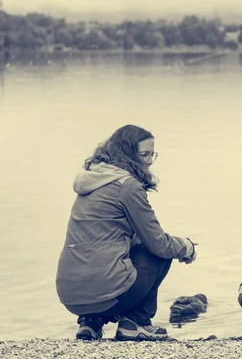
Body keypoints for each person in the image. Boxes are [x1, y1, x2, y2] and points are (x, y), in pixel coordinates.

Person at [56, 124, 197, 341]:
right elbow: (158, 243)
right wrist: (186, 247)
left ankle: (90, 323)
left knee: (104, 252)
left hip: (70, 296)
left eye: (153, 154)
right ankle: (135, 322)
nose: (149, 161)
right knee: (157, 254)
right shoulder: (127, 186)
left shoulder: (90, 182)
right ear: (127, 153)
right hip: (104, 293)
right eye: (144, 154)